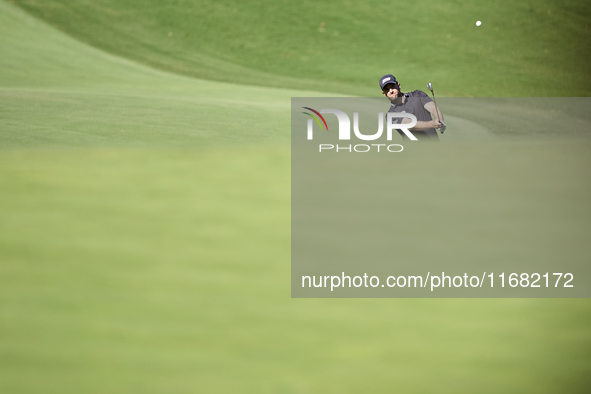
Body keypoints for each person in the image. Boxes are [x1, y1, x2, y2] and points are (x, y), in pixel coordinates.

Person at [379, 74, 445, 140]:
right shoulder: (390, 115)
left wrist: (440, 121)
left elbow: (433, 108)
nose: (391, 91)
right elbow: (410, 125)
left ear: (399, 86)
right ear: (384, 93)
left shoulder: (417, 95)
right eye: (387, 90)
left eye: (393, 87)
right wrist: (432, 124)